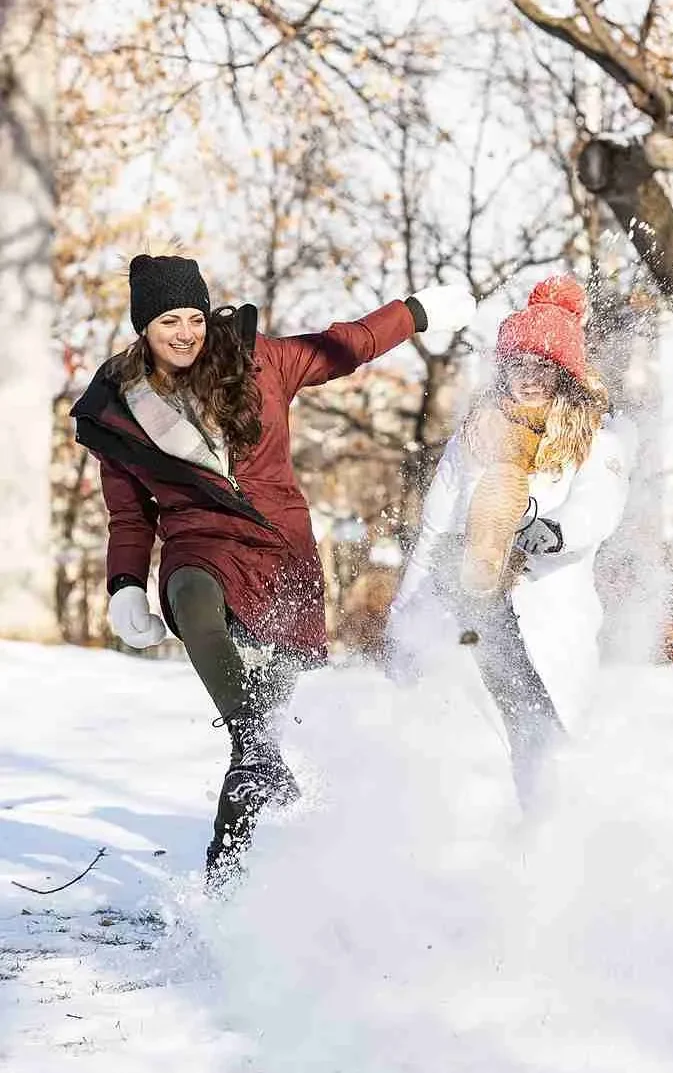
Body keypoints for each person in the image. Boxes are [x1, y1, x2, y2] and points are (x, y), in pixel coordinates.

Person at [71, 253, 477, 884]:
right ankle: (253, 745)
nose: (185, 333)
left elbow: (347, 345)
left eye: (194, 318)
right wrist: (125, 584)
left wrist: (416, 312)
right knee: (193, 599)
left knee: (260, 735)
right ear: (143, 328)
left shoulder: (261, 362)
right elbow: (129, 516)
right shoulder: (119, 411)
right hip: (199, 540)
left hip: (281, 553)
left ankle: (224, 877)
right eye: (168, 321)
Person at [387, 275, 637, 808]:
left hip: (548, 612)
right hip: (473, 613)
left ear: (564, 373)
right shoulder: (475, 437)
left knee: (546, 751)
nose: (529, 378)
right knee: (473, 762)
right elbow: (433, 531)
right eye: (518, 365)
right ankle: (484, 846)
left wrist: (555, 530)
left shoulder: (596, 440)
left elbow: (600, 504)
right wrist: (403, 619)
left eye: (542, 366)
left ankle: (553, 837)